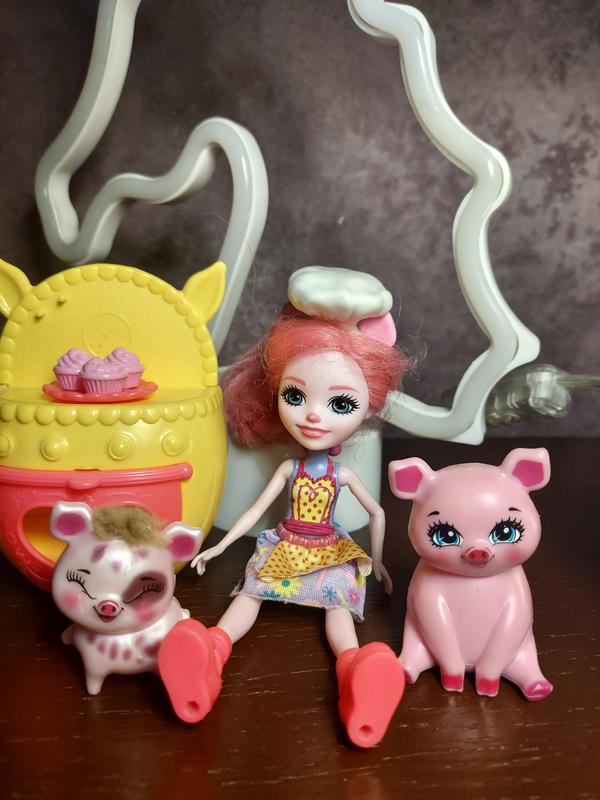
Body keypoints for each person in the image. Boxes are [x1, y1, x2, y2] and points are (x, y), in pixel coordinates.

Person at [158, 266, 409, 747]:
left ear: (367, 405)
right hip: (287, 543)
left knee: (338, 610)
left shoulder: (341, 475)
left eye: (340, 404)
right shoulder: (290, 469)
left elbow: (377, 513)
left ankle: (355, 673)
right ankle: (211, 650)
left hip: (329, 549)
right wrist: (219, 546)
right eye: (295, 396)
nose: (313, 415)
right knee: (248, 596)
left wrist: (376, 562)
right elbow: (256, 511)